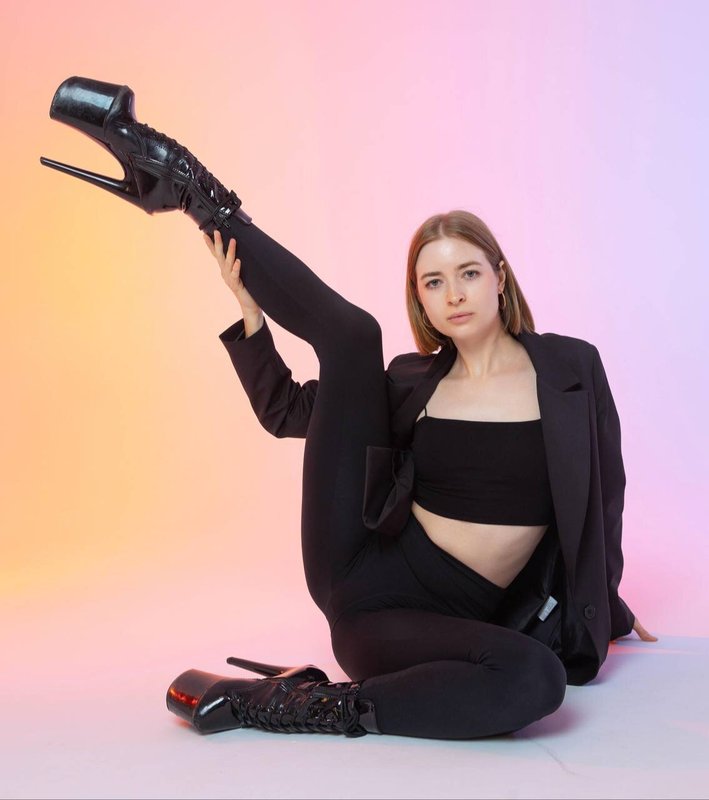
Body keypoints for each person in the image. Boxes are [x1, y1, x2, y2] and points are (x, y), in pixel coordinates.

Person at [41, 75, 656, 741]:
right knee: (354, 336)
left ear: (499, 277)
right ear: (421, 300)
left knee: (537, 677)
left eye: (469, 273)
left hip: (442, 622)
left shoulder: (570, 371)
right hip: (365, 588)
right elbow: (286, 412)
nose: (454, 294)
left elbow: (604, 498)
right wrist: (251, 321)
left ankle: (303, 698)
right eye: (433, 282)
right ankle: (187, 188)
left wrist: (606, 607)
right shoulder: (411, 384)